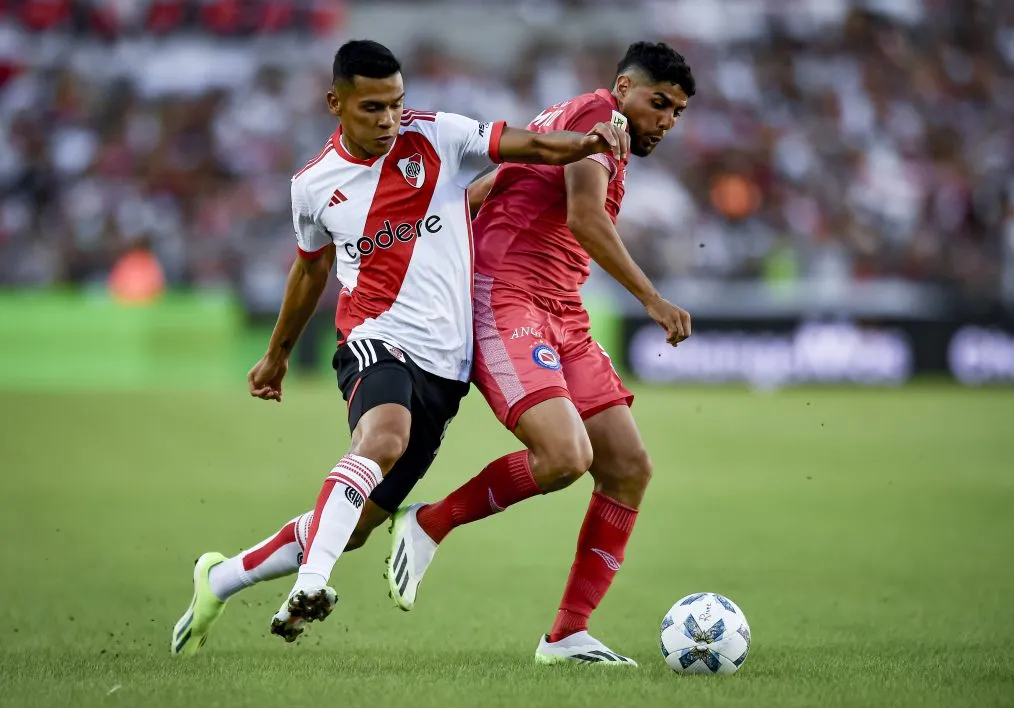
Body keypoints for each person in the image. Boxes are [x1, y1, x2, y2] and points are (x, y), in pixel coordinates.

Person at [170, 39, 628, 657]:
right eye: (373, 108)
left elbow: (538, 146)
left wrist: (591, 143)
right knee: (381, 439)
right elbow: (309, 272)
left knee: (353, 529)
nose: (389, 119)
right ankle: (311, 584)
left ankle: (219, 579)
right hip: (374, 339)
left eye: (396, 104)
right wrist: (277, 354)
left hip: (447, 367)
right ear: (337, 103)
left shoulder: (440, 136)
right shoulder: (313, 186)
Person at [385, 41, 696, 666]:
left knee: (628, 467)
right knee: (563, 456)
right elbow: (584, 217)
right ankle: (428, 523)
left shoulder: (576, 121)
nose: (665, 119)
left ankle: (567, 635)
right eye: (658, 102)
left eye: (677, 112)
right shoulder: (596, 119)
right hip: (508, 299)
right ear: (624, 87)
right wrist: (653, 299)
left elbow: (493, 183)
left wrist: (441, 234)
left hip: (561, 310)